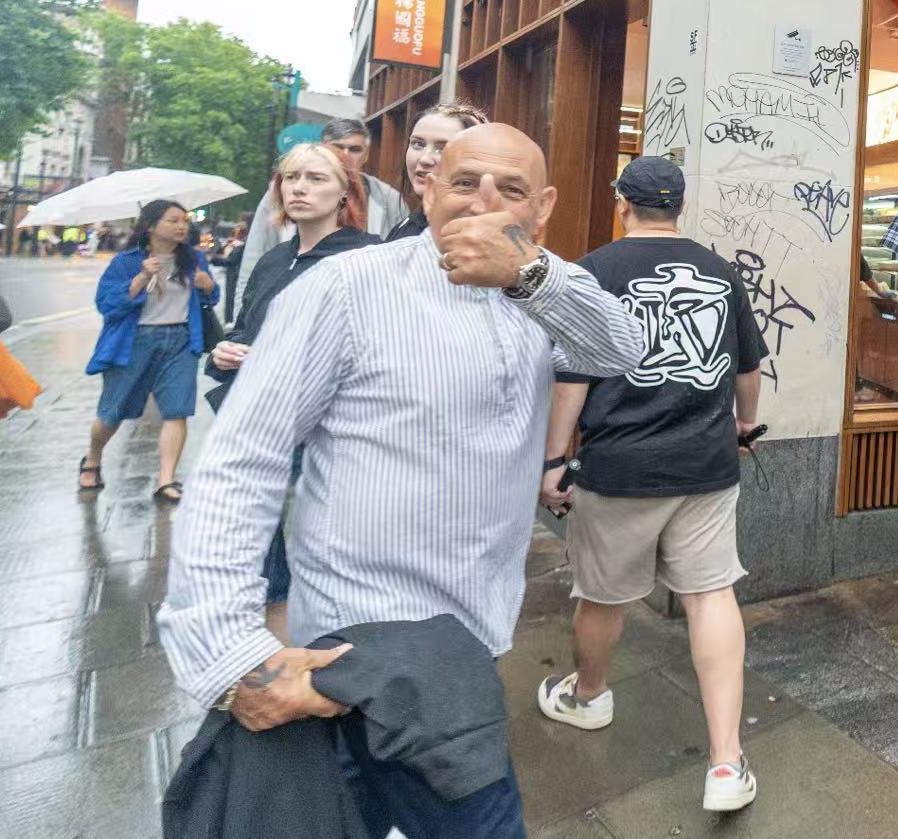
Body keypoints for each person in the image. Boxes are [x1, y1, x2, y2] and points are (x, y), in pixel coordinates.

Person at [158, 124, 646, 838]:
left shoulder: (535, 292)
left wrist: (530, 272)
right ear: (429, 188)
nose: (483, 202)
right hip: (365, 645)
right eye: (464, 182)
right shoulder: (346, 289)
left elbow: (620, 347)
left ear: (542, 208)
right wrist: (230, 654)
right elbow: (241, 462)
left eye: (511, 190)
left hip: (473, 637)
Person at [534, 158, 765, 812]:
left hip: (620, 465)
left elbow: (572, 377)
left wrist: (555, 461)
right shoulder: (721, 272)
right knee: (710, 595)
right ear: (680, 207)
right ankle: (726, 761)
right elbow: (747, 367)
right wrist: (743, 422)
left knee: (602, 596)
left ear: (622, 204)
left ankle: (588, 696)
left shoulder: (592, 271)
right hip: (705, 462)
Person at [205, 144, 380, 628]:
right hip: (258, 423)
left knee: (325, 553)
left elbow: (376, 349)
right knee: (261, 549)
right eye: (291, 177)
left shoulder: (368, 257)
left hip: (326, 429)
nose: (300, 188)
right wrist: (225, 352)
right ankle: (283, 645)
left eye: (316, 178)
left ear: (345, 192)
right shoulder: (272, 260)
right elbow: (246, 328)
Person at [80, 199, 221, 503]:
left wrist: (208, 285)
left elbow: (211, 298)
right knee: (112, 412)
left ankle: (166, 479)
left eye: (184, 220)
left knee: (177, 410)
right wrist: (142, 277)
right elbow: (107, 305)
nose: (181, 226)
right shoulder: (127, 261)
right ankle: (92, 458)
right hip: (134, 342)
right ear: (150, 226)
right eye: (173, 220)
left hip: (182, 341)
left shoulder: (195, 259)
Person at [233, 117, 407, 313]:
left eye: (355, 149)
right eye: (337, 147)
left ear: (366, 155)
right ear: (323, 147)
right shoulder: (274, 256)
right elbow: (252, 262)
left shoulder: (388, 201)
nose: (345, 155)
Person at [386, 102, 490, 242]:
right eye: (418, 144)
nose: (425, 159)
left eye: (443, 148)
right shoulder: (405, 227)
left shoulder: (478, 235)